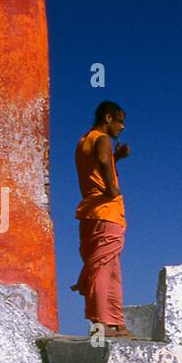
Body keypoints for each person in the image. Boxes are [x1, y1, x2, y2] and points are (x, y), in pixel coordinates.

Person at [70, 101, 132, 338]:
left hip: (90, 213)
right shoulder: (102, 138)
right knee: (103, 268)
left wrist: (117, 158)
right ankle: (100, 323)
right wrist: (110, 188)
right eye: (120, 121)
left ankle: (115, 322)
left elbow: (99, 162)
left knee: (109, 267)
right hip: (106, 211)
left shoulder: (84, 140)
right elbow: (104, 160)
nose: (122, 127)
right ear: (108, 118)